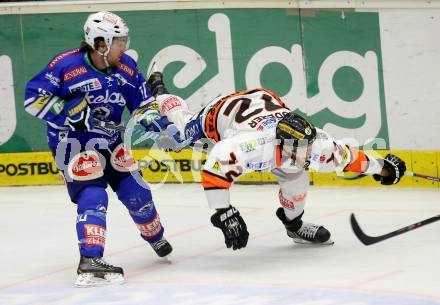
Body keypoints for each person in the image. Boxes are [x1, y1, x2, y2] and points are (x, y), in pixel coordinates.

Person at [24, 11, 176, 287]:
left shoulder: (126, 67)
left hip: (109, 142)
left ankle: (155, 236)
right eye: (119, 41)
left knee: (137, 193)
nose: (124, 47)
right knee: (94, 195)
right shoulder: (65, 66)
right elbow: (32, 99)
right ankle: (90, 260)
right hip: (71, 145)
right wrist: (67, 112)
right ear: (100, 43)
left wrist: (159, 125)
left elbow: (142, 105)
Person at [153, 88, 406, 250]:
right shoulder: (252, 146)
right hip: (218, 117)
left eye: (307, 147)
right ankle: (159, 92)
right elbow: (215, 167)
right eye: (299, 149)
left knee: (297, 179)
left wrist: (383, 168)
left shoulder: (317, 144)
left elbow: (349, 157)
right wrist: (224, 213)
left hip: (261, 101)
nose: (308, 154)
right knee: (183, 134)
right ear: (282, 144)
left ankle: (293, 225)